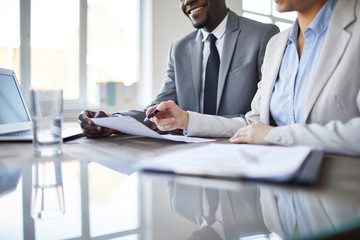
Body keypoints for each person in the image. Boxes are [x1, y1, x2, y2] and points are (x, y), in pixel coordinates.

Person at [147, 0, 360, 156]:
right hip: (279, 201)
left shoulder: (262, 36)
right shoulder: (278, 44)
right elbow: (255, 124)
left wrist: (274, 136)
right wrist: (186, 120)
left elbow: (266, 133)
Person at [78, 0, 279, 137]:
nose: (187, 2)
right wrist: (112, 123)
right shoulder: (179, 48)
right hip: (188, 162)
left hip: (243, 159)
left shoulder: (263, 35)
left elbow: (265, 118)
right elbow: (157, 109)